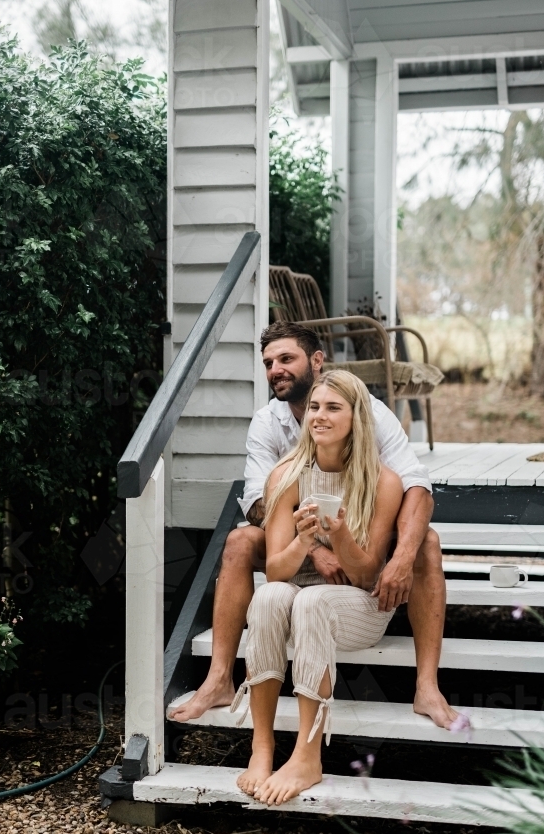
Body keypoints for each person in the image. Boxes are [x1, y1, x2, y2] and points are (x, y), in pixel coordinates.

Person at [170, 321, 456, 729]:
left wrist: (401, 556)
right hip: (294, 537)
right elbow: (257, 502)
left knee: (425, 542)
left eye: (287, 359)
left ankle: (427, 684)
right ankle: (219, 679)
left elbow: (416, 484)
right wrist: (315, 547)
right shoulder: (267, 423)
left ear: (316, 361)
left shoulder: (368, 411)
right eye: (268, 363)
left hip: (362, 530)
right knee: (237, 542)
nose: (276, 370)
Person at [235, 369, 403, 803]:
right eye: (314, 407)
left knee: (310, 600)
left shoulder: (383, 482)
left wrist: (341, 536)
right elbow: (274, 570)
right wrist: (305, 540)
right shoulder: (286, 475)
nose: (319, 416)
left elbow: (368, 576)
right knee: (271, 595)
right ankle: (262, 747)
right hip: (299, 596)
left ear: (357, 417)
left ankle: (307, 756)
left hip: (361, 606)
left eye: (333, 408)